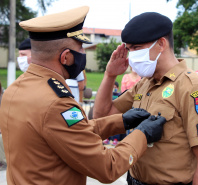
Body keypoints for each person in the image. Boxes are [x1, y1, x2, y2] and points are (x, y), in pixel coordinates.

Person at [0, 7, 166, 185]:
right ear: (66, 57)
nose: (83, 54)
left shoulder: (16, 88)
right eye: (80, 49)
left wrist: (120, 122)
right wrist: (142, 134)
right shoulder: (55, 103)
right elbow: (107, 167)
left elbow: (67, 133)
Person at [93, 12, 198, 185]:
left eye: (136, 48)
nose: (131, 56)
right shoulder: (144, 84)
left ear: (161, 44)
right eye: (129, 49)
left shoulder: (193, 87)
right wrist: (109, 75)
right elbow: (102, 116)